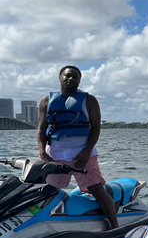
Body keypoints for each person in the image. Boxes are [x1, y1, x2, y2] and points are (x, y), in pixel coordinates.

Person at [37, 66, 119, 229]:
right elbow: (41, 128)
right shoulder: (46, 101)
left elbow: (96, 128)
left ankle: (115, 227)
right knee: (48, 191)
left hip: (83, 154)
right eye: (67, 76)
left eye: (75, 77)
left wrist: (86, 152)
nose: (71, 79)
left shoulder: (89, 100)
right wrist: (41, 150)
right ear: (60, 77)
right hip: (55, 154)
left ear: (79, 80)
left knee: (97, 189)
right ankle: (45, 225)